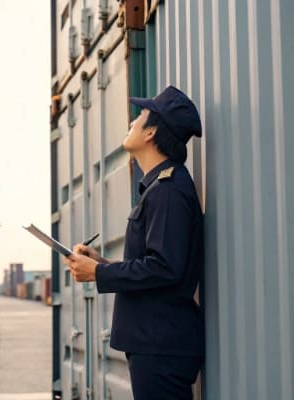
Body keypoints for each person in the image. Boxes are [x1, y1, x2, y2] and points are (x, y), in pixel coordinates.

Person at [63, 86, 204, 400]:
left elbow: (165, 268)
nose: (131, 123)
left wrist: (99, 275)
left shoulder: (168, 190)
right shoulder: (160, 187)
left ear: (152, 131)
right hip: (155, 342)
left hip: (160, 345)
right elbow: (158, 263)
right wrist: (99, 264)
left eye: (139, 117)